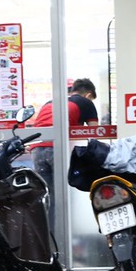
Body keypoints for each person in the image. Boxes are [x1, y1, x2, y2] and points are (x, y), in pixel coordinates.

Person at [29, 77, 99, 221]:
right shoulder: (85, 102)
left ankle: (50, 235)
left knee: (48, 196)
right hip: (58, 150)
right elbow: (95, 133)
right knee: (68, 193)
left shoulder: (51, 102)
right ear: (88, 94)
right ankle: (69, 234)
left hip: (37, 150)